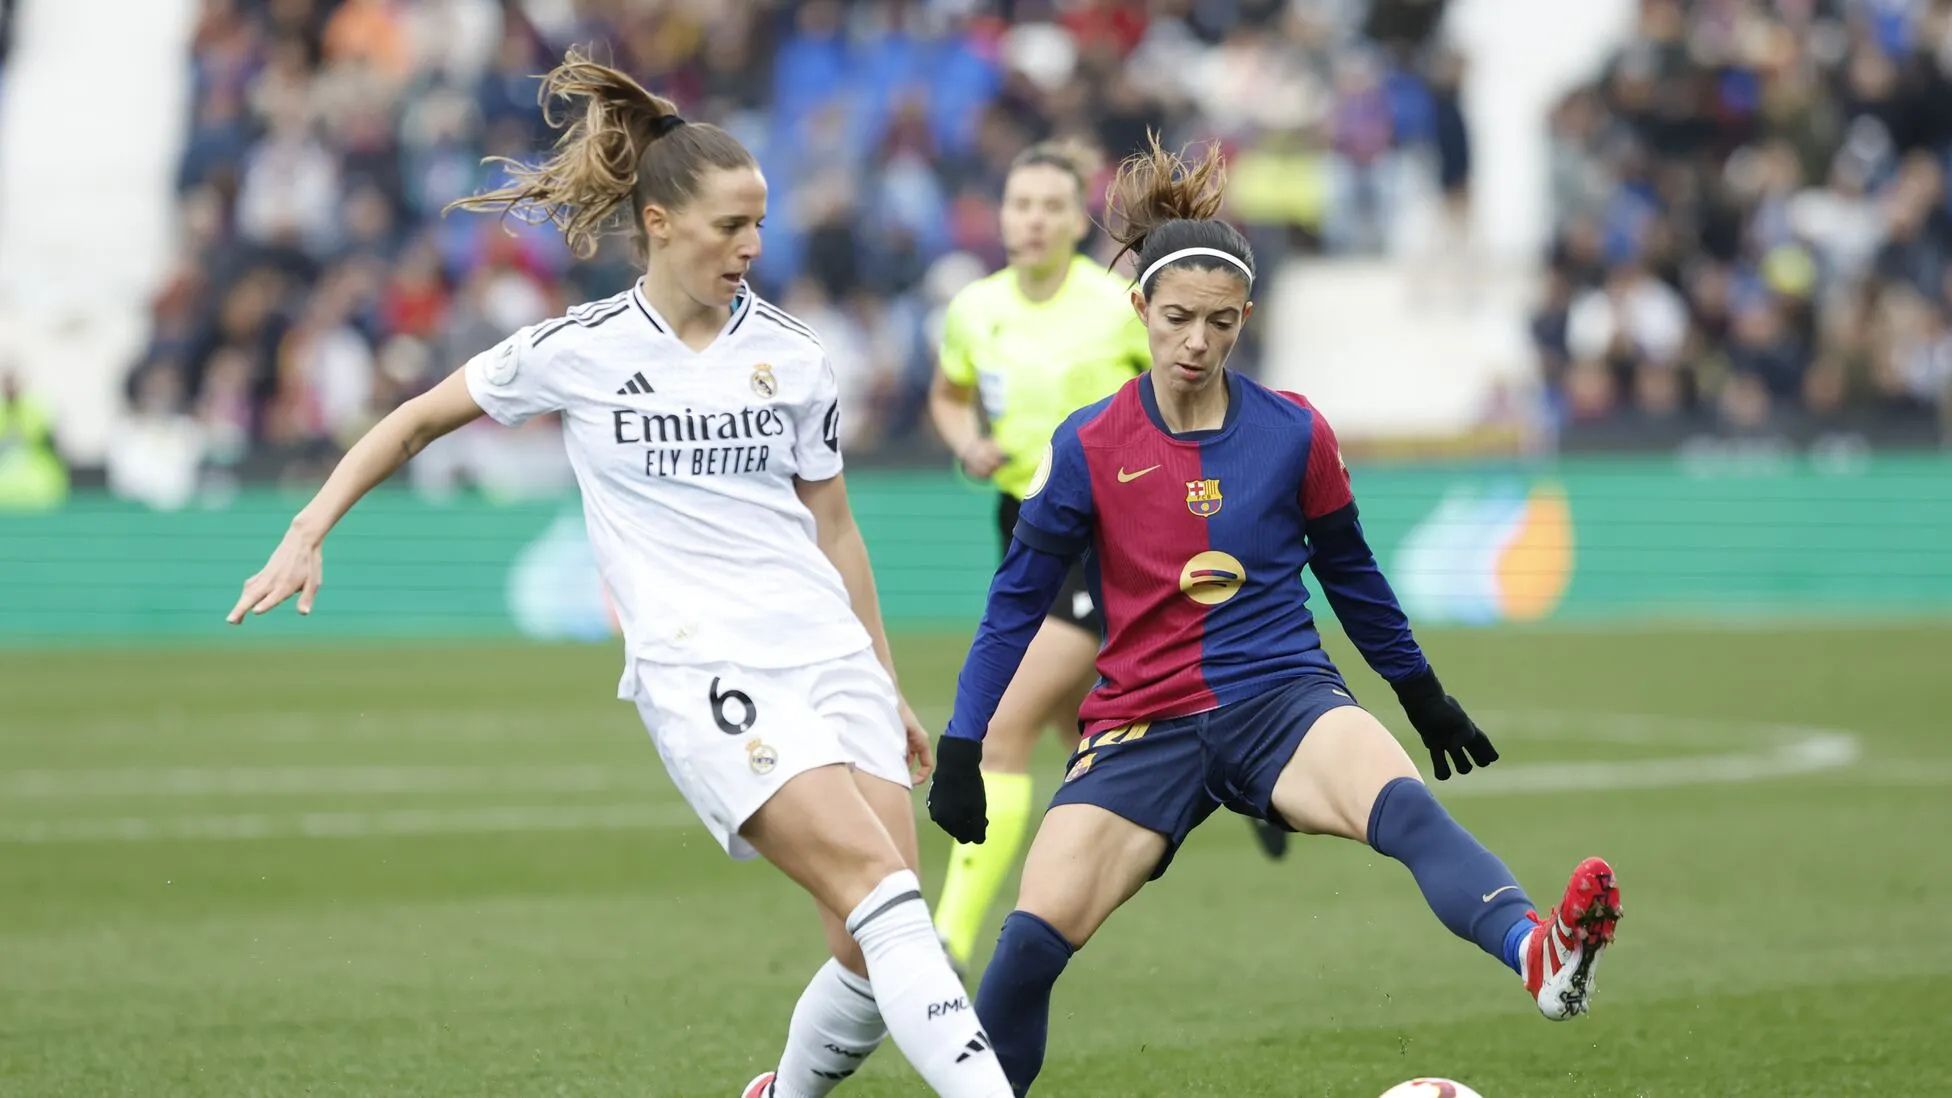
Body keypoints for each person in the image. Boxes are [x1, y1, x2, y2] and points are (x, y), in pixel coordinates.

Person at [224, 51, 1013, 1098]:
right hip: (704, 667)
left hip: (824, 653)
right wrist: (307, 526)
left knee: (872, 951)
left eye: (760, 224)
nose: (753, 246)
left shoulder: (795, 355)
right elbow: (415, 420)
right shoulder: (577, 349)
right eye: (731, 225)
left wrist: (882, 681)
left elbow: (835, 529)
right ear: (658, 223)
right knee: (887, 902)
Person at [924, 135, 1623, 1095]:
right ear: (1142, 311)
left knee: (1407, 808)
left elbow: (1354, 577)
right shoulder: (1088, 444)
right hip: (1142, 722)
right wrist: (965, 742)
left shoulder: (1295, 432)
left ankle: (1537, 954)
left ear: (1246, 316)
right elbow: (1013, 602)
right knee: (1030, 950)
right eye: (1176, 319)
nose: (1196, 342)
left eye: (1219, 321)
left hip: (1282, 699)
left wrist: (1423, 698)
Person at [926, 139, 1291, 974]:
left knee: (1004, 728)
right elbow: (947, 394)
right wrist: (966, 441)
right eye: (1019, 204)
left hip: (1111, 537)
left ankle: (945, 938)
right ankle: (1245, 770)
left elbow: (1199, 395)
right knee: (1081, 724)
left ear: (1073, 217)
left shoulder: (1115, 305)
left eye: (1052, 206)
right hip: (1023, 524)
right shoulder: (973, 309)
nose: (1033, 220)